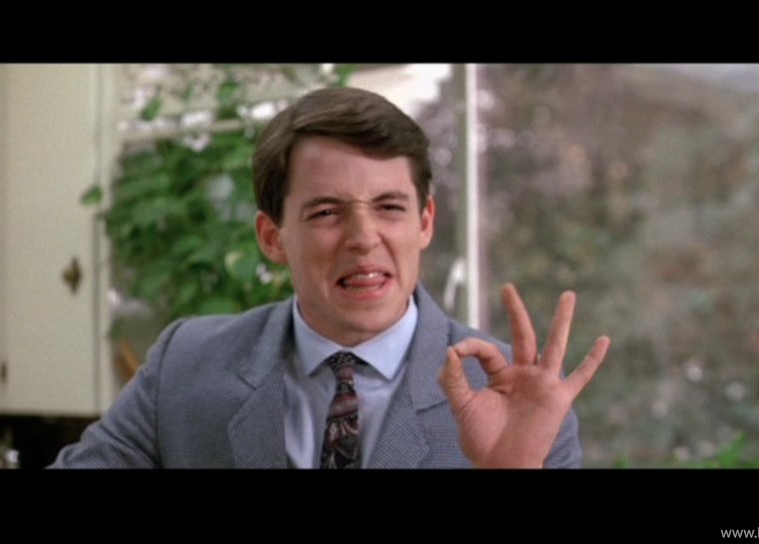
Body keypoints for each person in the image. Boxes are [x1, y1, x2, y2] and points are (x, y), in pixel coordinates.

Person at [51, 86, 611, 468]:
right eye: (325, 212)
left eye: (389, 207)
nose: (363, 237)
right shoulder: (185, 365)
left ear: (424, 222)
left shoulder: (521, 401)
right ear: (272, 237)